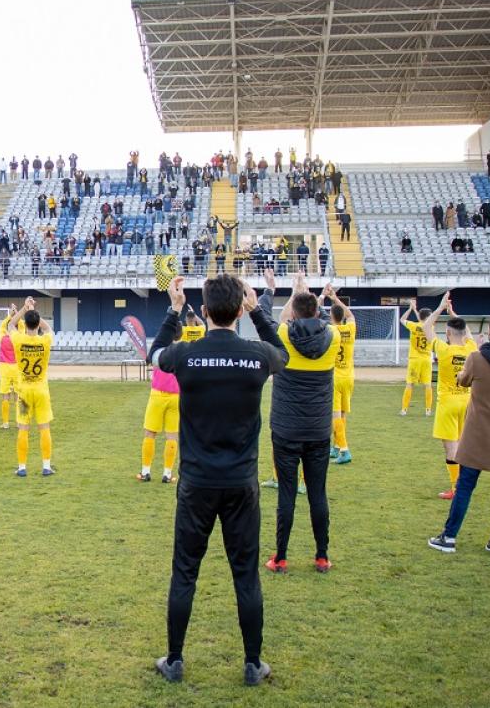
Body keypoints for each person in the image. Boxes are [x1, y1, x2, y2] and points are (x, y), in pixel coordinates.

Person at [149, 274, 287, 687]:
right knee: (245, 574)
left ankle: (174, 660)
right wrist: (258, 310)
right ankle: (252, 663)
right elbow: (284, 354)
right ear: (239, 309)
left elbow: (154, 354)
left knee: (185, 572)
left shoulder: (187, 354)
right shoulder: (258, 354)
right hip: (241, 483)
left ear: (204, 312)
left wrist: (174, 309)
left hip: (196, 483)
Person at [260, 270, 340, 574]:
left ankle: (280, 557)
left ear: (293, 311)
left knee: (287, 495)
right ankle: (321, 555)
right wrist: (303, 291)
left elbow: (275, 318)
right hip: (319, 429)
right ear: (318, 311)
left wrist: (287, 290)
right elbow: (308, 318)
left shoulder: (284, 335)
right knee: (318, 494)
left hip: (286, 429)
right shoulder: (331, 337)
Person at [428, 311, 490, 557]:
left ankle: (449, 536)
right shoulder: (475, 352)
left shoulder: (477, 358)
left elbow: (463, 380)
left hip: (478, 432)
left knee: (465, 486)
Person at [423, 292, 477, 500]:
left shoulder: (444, 350)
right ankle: (464, 484)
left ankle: (456, 488)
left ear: (447, 333)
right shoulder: (470, 348)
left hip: (447, 403)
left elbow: (427, 327)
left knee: (451, 447)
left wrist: (439, 309)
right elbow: (469, 335)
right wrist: (453, 313)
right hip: (467, 402)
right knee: (463, 445)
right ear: (463, 334)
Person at [8, 297, 55, 477]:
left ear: (25, 323)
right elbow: (48, 328)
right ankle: (46, 466)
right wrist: (33, 310)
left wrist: (24, 309)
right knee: (44, 428)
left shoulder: (19, 340)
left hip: (24, 391)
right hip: (41, 390)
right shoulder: (45, 341)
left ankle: (22, 467)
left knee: (23, 429)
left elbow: (10, 325)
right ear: (36, 324)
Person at [137, 326, 180, 483]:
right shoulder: (183, 350)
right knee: (172, 435)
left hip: (157, 394)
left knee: (150, 433)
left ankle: (145, 471)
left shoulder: (159, 350)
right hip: (176, 396)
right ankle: (167, 474)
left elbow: (150, 363)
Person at [323, 286, 356, 465]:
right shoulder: (350, 328)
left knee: (334, 414)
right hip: (349, 376)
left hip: (334, 376)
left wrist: (324, 296)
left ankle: (344, 450)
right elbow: (350, 315)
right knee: (342, 413)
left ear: (331, 316)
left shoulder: (329, 330)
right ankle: (336, 446)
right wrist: (335, 298)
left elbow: (313, 317)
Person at [399, 299, 434, 416]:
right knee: (428, 385)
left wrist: (410, 309)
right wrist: (415, 309)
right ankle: (428, 410)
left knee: (410, 384)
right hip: (426, 359)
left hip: (414, 359)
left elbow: (402, 320)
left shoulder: (414, 326)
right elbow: (423, 321)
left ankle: (404, 410)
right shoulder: (430, 327)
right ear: (429, 317)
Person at [0, 304, 19, 430]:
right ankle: (18, 422)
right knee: (17, 396)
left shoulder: (2, 337)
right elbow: (21, 325)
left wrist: (10, 315)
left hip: (5, 369)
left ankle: (5, 423)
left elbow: (2, 326)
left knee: (5, 396)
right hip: (17, 368)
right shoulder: (19, 338)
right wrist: (17, 314)